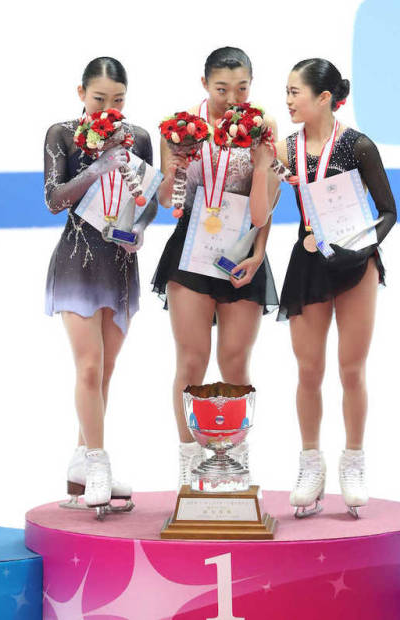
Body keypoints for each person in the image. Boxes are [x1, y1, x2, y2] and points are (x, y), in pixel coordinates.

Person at [249, 58, 397, 517]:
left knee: (351, 370)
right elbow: (262, 211)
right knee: (308, 370)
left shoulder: (358, 146)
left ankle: (353, 460)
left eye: (295, 92)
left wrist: (362, 250)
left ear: (324, 99)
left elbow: (388, 211)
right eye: (287, 91)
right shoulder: (286, 148)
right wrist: (264, 170)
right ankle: (310, 461)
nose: (287, 100)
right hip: (310, 261)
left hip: (356, 264)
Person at [152, 47, 279, 487]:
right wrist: (178, 164)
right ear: (204, 84)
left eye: (242, 88)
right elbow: (168, 200)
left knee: (235, 363)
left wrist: (259, 253)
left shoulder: (263, 127)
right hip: (191, 252)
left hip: (242, 254)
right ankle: (190, 459)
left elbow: (264, 212)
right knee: (191, 362)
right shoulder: (181, 126)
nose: (232, 98)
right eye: (222, 88)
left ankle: (236, 458)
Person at [44, 57, 157, 514]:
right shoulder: (62, 134)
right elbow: (54, 199)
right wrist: (98, 166)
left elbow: (145, 201)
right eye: (99, 99)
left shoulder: (140, 139)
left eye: (118, 101)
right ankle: (98, 465)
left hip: (119, 263)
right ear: (81, 93)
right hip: (77, 257)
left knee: (105, 371)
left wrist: (142, 230)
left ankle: (80, 462)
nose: (108, 108)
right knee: (88, 367)